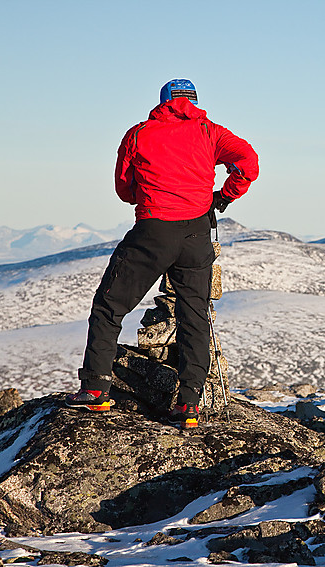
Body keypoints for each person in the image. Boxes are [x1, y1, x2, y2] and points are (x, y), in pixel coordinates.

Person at [66, 79, 259, 428]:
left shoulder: (139, 134)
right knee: (194, 317)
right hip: (197, 232)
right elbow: (248, 161)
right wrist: (224, 196)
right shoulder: (210, 132)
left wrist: (149, 193)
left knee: (110, 305)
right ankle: (188, 406)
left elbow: (124, 188)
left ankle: (95, 390)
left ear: (163, 102)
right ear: (194, 101)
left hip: (153, 230)